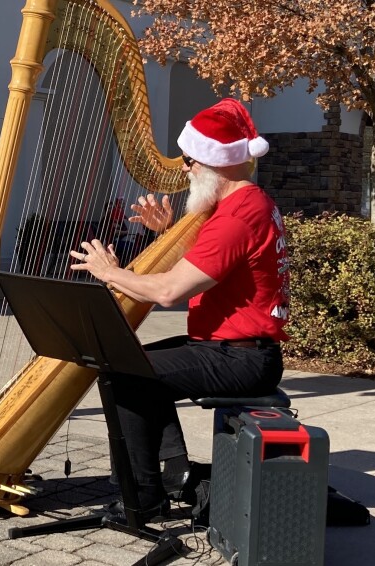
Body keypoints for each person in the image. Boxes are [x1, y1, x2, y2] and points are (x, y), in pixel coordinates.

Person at [70, 98, 291, 520]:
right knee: (131, 361)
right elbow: (212, 263)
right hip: (233, 347)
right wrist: (167, 232)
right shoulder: (243, 205)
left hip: (243, 357)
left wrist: (109, 272)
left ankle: (143, 498)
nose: (185, 168)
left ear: (214, 162)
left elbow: (170, 291)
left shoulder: (237, 216)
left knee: (125, 374)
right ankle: (175, 473)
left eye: (189, 159)